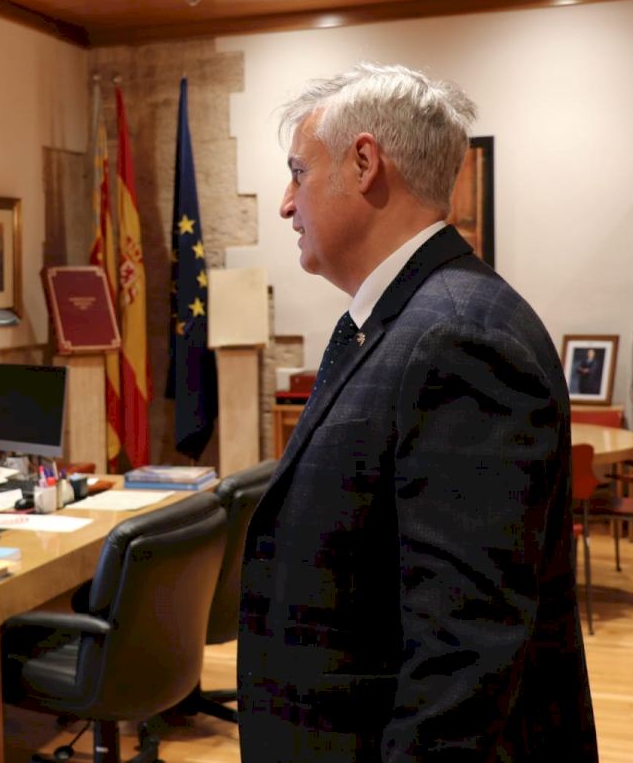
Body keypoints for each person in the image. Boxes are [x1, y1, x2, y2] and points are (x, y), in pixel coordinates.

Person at [238, 64, 597, 761]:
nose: (286, 204)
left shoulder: (457, 337)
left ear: (364, 163)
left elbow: (462, 653)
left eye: (298, 173)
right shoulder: (408, 321)